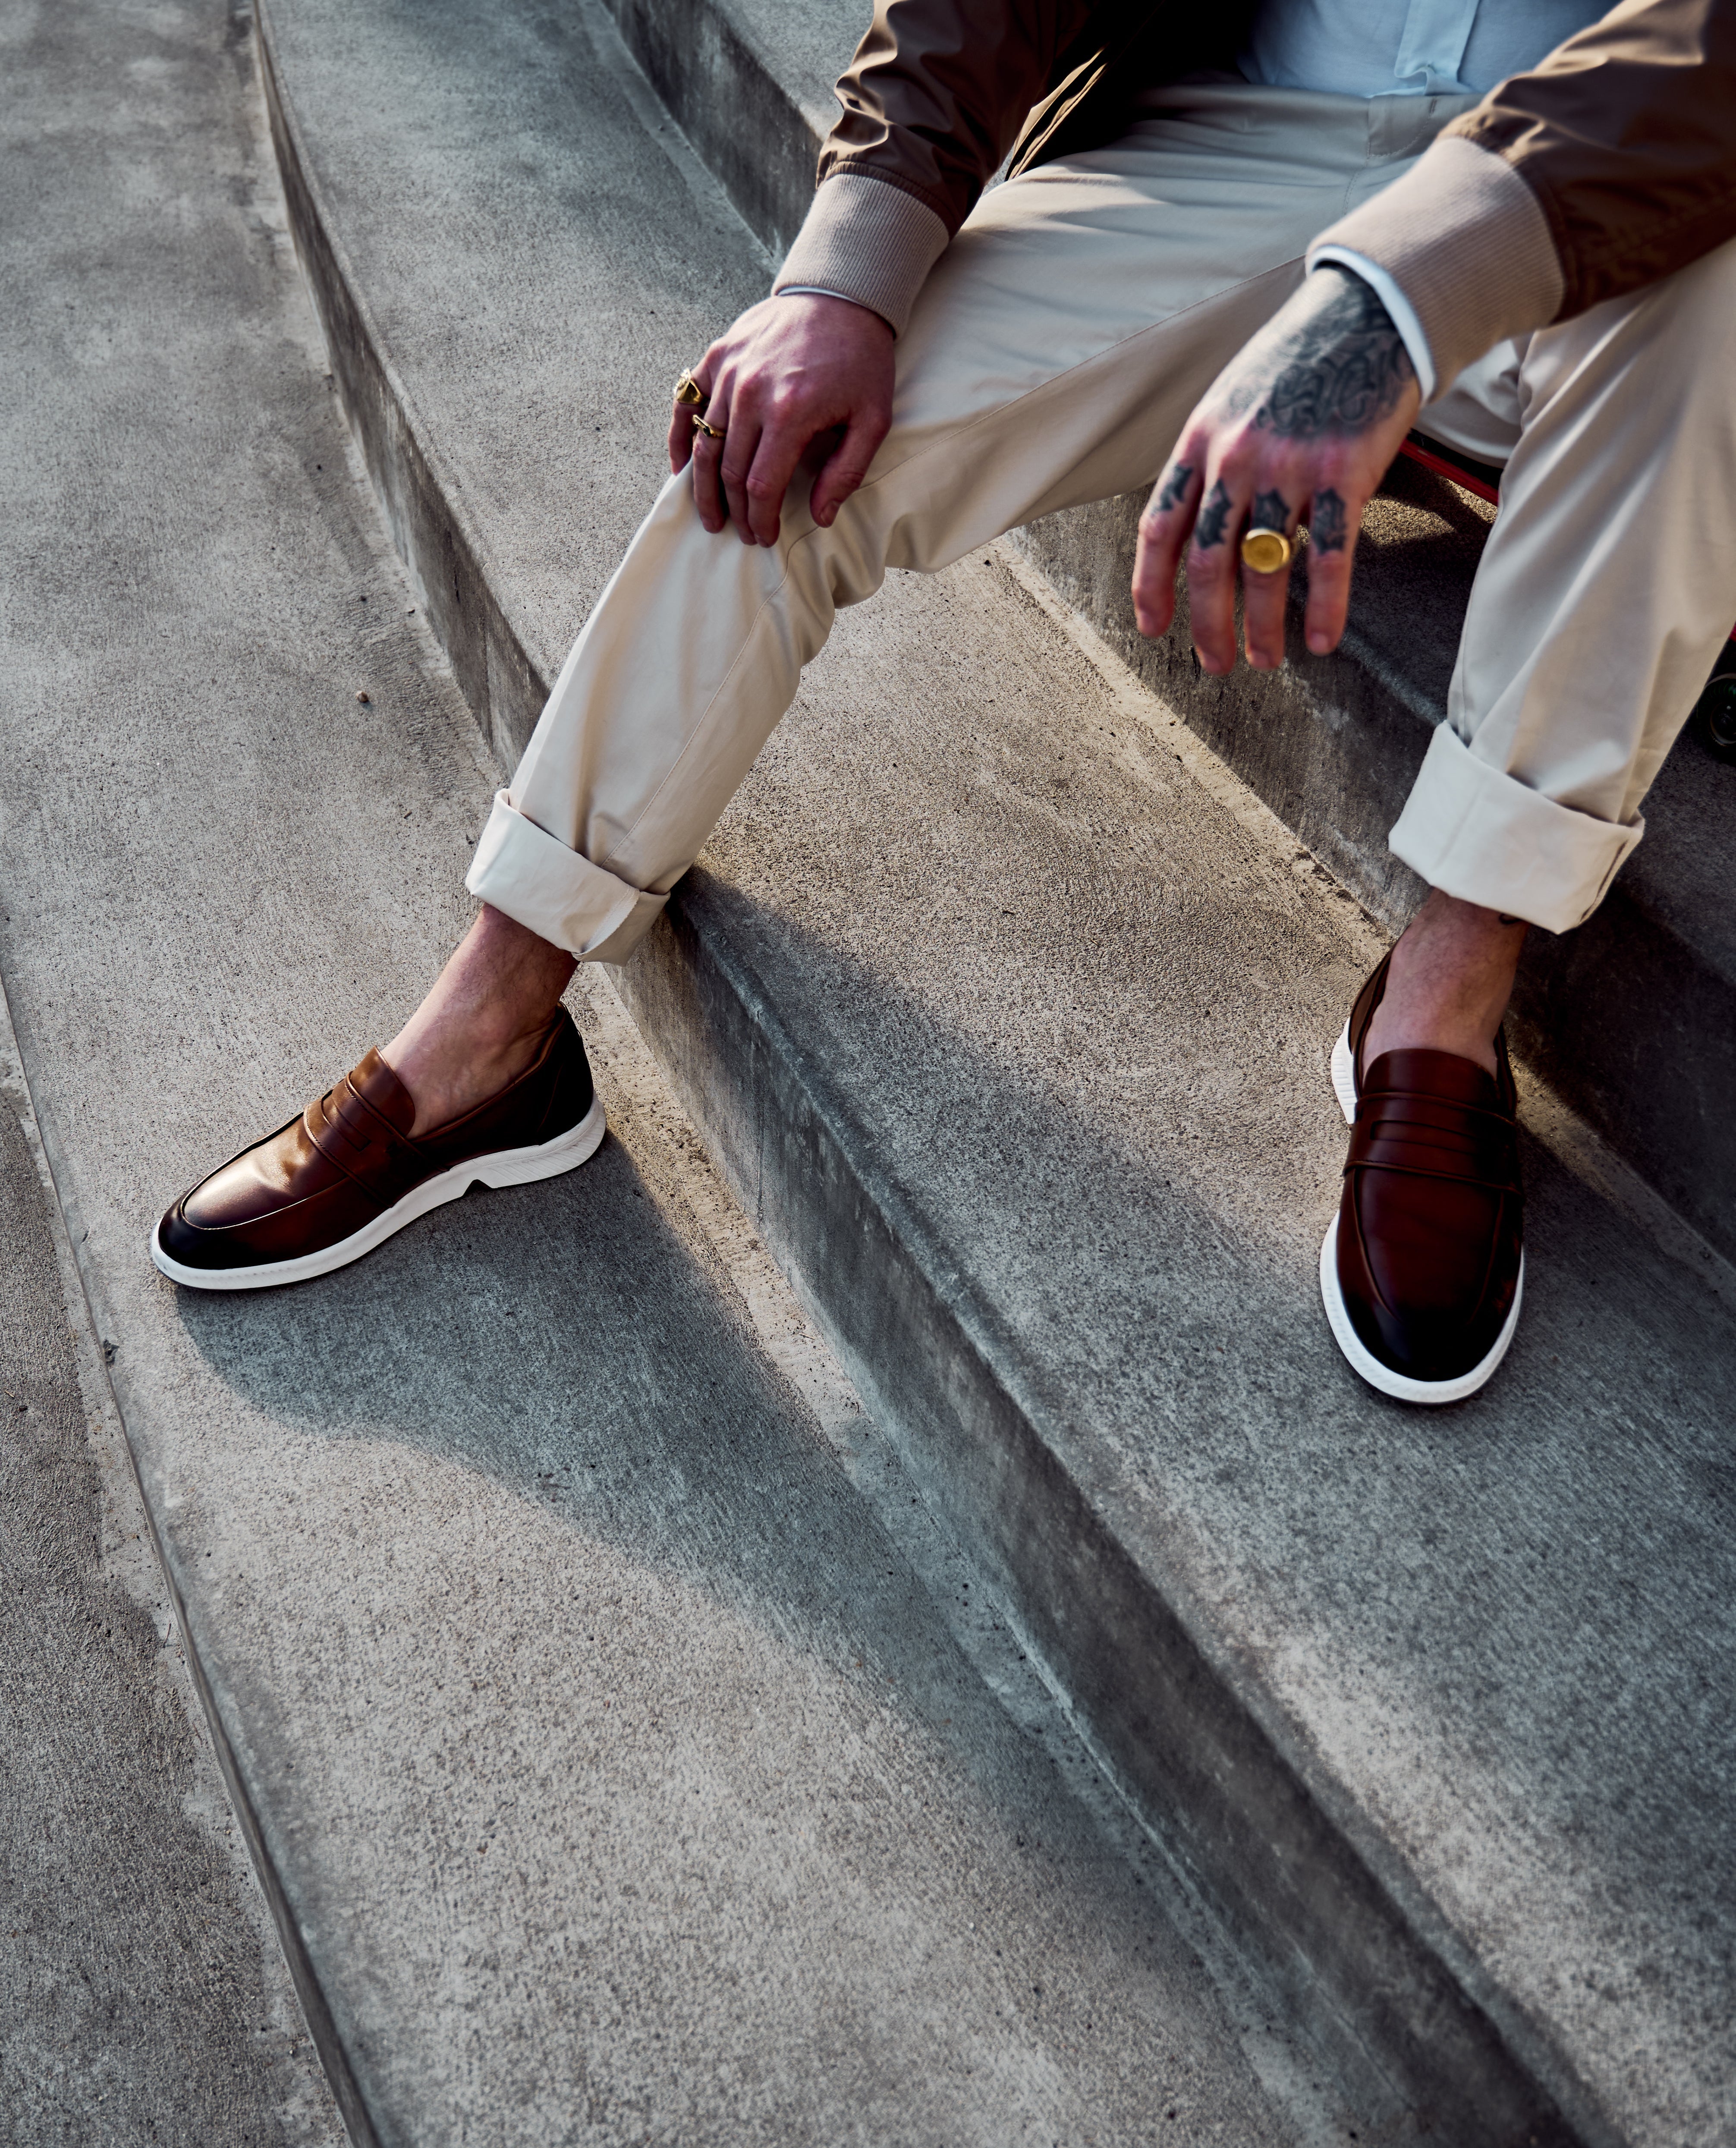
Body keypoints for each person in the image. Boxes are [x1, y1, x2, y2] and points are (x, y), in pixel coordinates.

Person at [151, 0, 1736, 1404]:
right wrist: (844, 274)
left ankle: (1448, 992)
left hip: (1612, 200)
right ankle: (494, 1021)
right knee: (788, 437)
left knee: (1714, 290)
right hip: (1261, 128)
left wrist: (1390, 301)